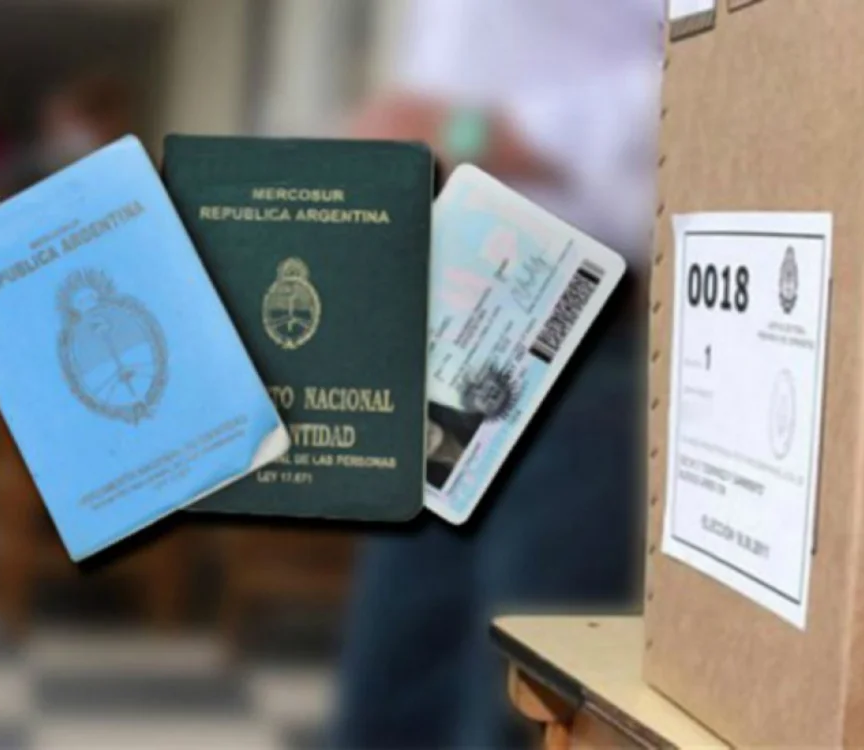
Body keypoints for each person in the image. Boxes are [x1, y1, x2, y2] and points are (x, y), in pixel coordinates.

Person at [331, 1, 663, 747]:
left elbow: (707, 61)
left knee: (509, 710)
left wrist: (473, 133)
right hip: (445, 339)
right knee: (389, 696)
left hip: (570, 337)